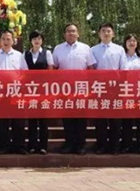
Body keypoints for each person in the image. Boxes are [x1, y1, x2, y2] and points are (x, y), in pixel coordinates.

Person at [53, 23, 97, 155]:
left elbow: (91, 68)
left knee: (81, 119)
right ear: (64, 34)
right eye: (68, 31)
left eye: (73, 31)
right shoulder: (58, 49)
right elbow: (54, 68)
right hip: (64, 89)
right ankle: (69, 144)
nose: (71, 33)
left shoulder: (85, 48)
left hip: (81, 88)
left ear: (78, 34)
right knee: (67, 119)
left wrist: (91, 87)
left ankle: (81, 145)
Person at [91, 23, 127, 155]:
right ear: (99, 34)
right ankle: (101, 146)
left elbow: (124, 69)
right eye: (103, 31)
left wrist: (120, 85)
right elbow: (91, 69)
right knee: (100, 119)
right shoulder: (93, 50)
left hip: (115, 87)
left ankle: (114, 146)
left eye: (108, 31)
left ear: (113, 34)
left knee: (115, 119)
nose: (106, 33)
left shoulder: (119, 49)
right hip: (99, 88)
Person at [0, 30, 29, 155]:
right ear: (0, 41)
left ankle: (19, 145)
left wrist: (19, 83)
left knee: (18, 121)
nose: (6, 41)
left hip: (16, 91)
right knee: (2, 121)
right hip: (0, 92)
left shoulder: (19, 55)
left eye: (8, 39)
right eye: (3, 39)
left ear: (13, 41)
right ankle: (4, 146)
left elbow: (25, 72)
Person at [24, 30, 54, 155]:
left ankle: (43, 146)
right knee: (32, 120)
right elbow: (23, 72)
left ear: (42, 41)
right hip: (30, 90)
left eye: (39, 39)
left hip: (43, 90)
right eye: (34, 39)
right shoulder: (25, 54)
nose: (37, 41)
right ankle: (32, 145)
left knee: (43, 120)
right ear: (30, 41)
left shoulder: (47, 53)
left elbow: (50, 70)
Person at [121, 34, 140, 154]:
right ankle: (126, 145)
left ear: (137, 43)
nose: (131, 43)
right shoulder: (121, 56)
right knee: (126, 121)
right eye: (129, 40)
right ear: (125, 43)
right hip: (125, 91)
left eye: (134, 41)